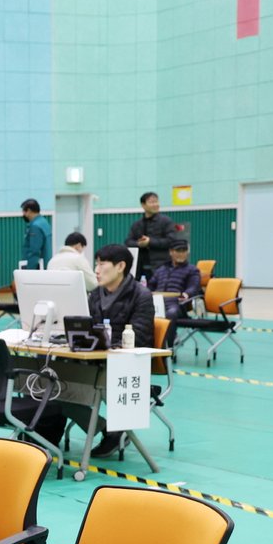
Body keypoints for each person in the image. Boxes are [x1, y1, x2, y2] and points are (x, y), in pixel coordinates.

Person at [87, 244, 155, 458]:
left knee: (75, 383)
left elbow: (139, 337)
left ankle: (116, 432)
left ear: (120, 266)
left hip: (127, 365)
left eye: (101, 264)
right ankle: (107, 429)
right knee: (58, 382)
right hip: (94, 360)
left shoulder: (141, 295)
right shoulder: (95, 294)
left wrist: (106, 348)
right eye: (96, 264)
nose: (96, 270)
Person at [124, 191, 176, 277]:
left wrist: (150, 242)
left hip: (162, 266)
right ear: (143, 205)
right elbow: (128, 242)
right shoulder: (137, 224)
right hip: (140, 266)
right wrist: (139, 244)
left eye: (156, 201)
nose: (155, 204)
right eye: (152, 202)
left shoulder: (166, 221)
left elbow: (171, 240)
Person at [147, 238, 202, 318]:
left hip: (177, 303)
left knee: (171, 313)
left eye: (184, 251)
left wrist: (186, 294)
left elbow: (193, 287)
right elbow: (150, 285)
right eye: (178, 251)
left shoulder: (192, 270)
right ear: (171, 252)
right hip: (157, 301)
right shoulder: (161, 269)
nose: (181, 254)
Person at [19, 199, 52, 270]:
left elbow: (34, 251)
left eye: (23, 211)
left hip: (37, 267)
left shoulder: (35, 226)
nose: (23, 214)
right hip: (45, 264)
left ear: (29, 211)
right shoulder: (44, 222)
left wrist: (29, 270)